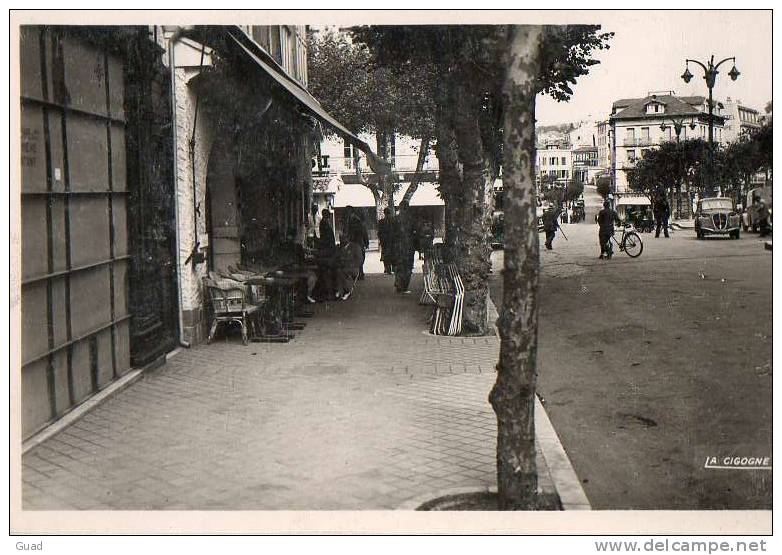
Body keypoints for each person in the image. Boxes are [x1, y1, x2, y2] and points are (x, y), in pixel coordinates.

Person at [393, 202, 416, 293]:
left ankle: (398, 284)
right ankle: (404, 286)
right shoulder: (411, 220)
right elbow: (415, 233)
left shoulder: (395, 219)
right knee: (408, 267)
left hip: (398, 246)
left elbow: (392, 233)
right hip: (408, 246)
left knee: (399, 266)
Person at [334, 233, 365, 301]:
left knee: (340, 272)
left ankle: (346, 291)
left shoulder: (355, 247)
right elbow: (337, 258)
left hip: (353, 268)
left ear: (348, 238)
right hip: (343, 267)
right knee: (336, 271)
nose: (341, 240)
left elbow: (360, 260)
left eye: (343, 238)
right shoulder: (340, 248)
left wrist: (350, 264)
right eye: (340, 239)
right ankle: (340, 290)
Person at [344, 206, 369, 280]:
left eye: (347, 211)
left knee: (358, 258)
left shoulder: (355, 220)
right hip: (354, 241)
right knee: (355, 258)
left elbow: (362, 231)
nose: (346, 213)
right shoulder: (350, 219)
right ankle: (358, 273)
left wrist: (365, 241)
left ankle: (359, 273)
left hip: (357, 241)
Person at [377, 207, 394, 274]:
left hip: (389, 241)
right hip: (386, 241)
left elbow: (379, 232)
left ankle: (388, 268)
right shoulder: (382, 222)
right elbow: (379, 232)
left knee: (388, 255)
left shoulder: (392, 221)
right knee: (388, 255)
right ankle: (388, 268)